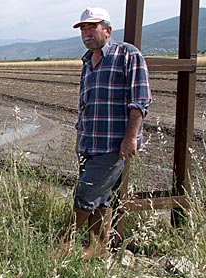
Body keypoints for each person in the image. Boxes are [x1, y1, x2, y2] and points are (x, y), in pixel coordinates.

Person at [62, 7, 152, 260]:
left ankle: (63, 242)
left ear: (107, 30)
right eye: (83, 29)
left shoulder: (127, 55)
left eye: (92, 27)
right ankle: (98, 250)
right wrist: (81, 139)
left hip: (114, 144)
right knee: (101, 199)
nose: (87, 33)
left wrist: (131, 138)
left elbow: (140, 101)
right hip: (89, 142)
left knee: (86, 193)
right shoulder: (87, 61)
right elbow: (85, 105)